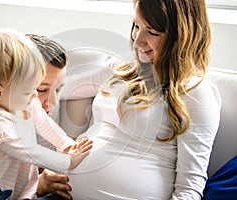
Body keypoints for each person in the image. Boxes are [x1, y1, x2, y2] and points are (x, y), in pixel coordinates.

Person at [67, 0, 221, 199]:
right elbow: (48, 88)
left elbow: (189, 189)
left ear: (180, 37)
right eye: (136, 26)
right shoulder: (120, 72)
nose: (138, 40)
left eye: (152, 32)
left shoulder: (195, 93)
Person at [0, 31, 92, 199]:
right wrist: (68, 160)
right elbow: (31, 152)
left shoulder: (18, 98)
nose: (35, 97)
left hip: (17, 186)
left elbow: (44, 123)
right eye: (32, 90)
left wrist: (66, 145)